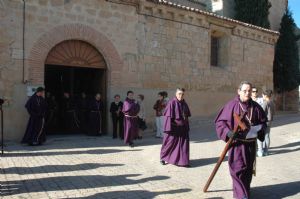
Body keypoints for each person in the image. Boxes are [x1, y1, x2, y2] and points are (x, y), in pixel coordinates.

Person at [215, 81, 267, 199]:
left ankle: (244, 191)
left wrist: (260, 130)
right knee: (237, 170)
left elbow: (263, 122)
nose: (247, 93)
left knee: (248, 171)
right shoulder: (231, 105)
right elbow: (220, 123)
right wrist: (228, 132)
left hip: (250, 145)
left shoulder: (256, 107)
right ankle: (242, 196)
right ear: (239, 91)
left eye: (249, 91)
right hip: (236, 145)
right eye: (245, 91)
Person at [160, 88, 191, 167]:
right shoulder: (171, 103)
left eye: (182, 94)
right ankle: (163, 158)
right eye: (179, 94)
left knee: (183, 145)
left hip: (183, 128)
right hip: (173, 128)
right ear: (176, 94)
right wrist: (168, 128)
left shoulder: (184, 103)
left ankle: (184, 162)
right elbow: (167, 117)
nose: (181, 95)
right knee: (169, 144)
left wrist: (186, 125)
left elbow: (186, 115)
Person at [257, 89, 275, 157]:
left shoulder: (265, 103)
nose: (262, 97)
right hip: (270, 121)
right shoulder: (272, 102)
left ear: (265, 95)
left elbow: (262, 112)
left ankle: (260, 151)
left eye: (263, 95)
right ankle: (266, 151)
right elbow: (274, 112)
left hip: (264, 121)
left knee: (260, 135)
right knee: (267, 136)